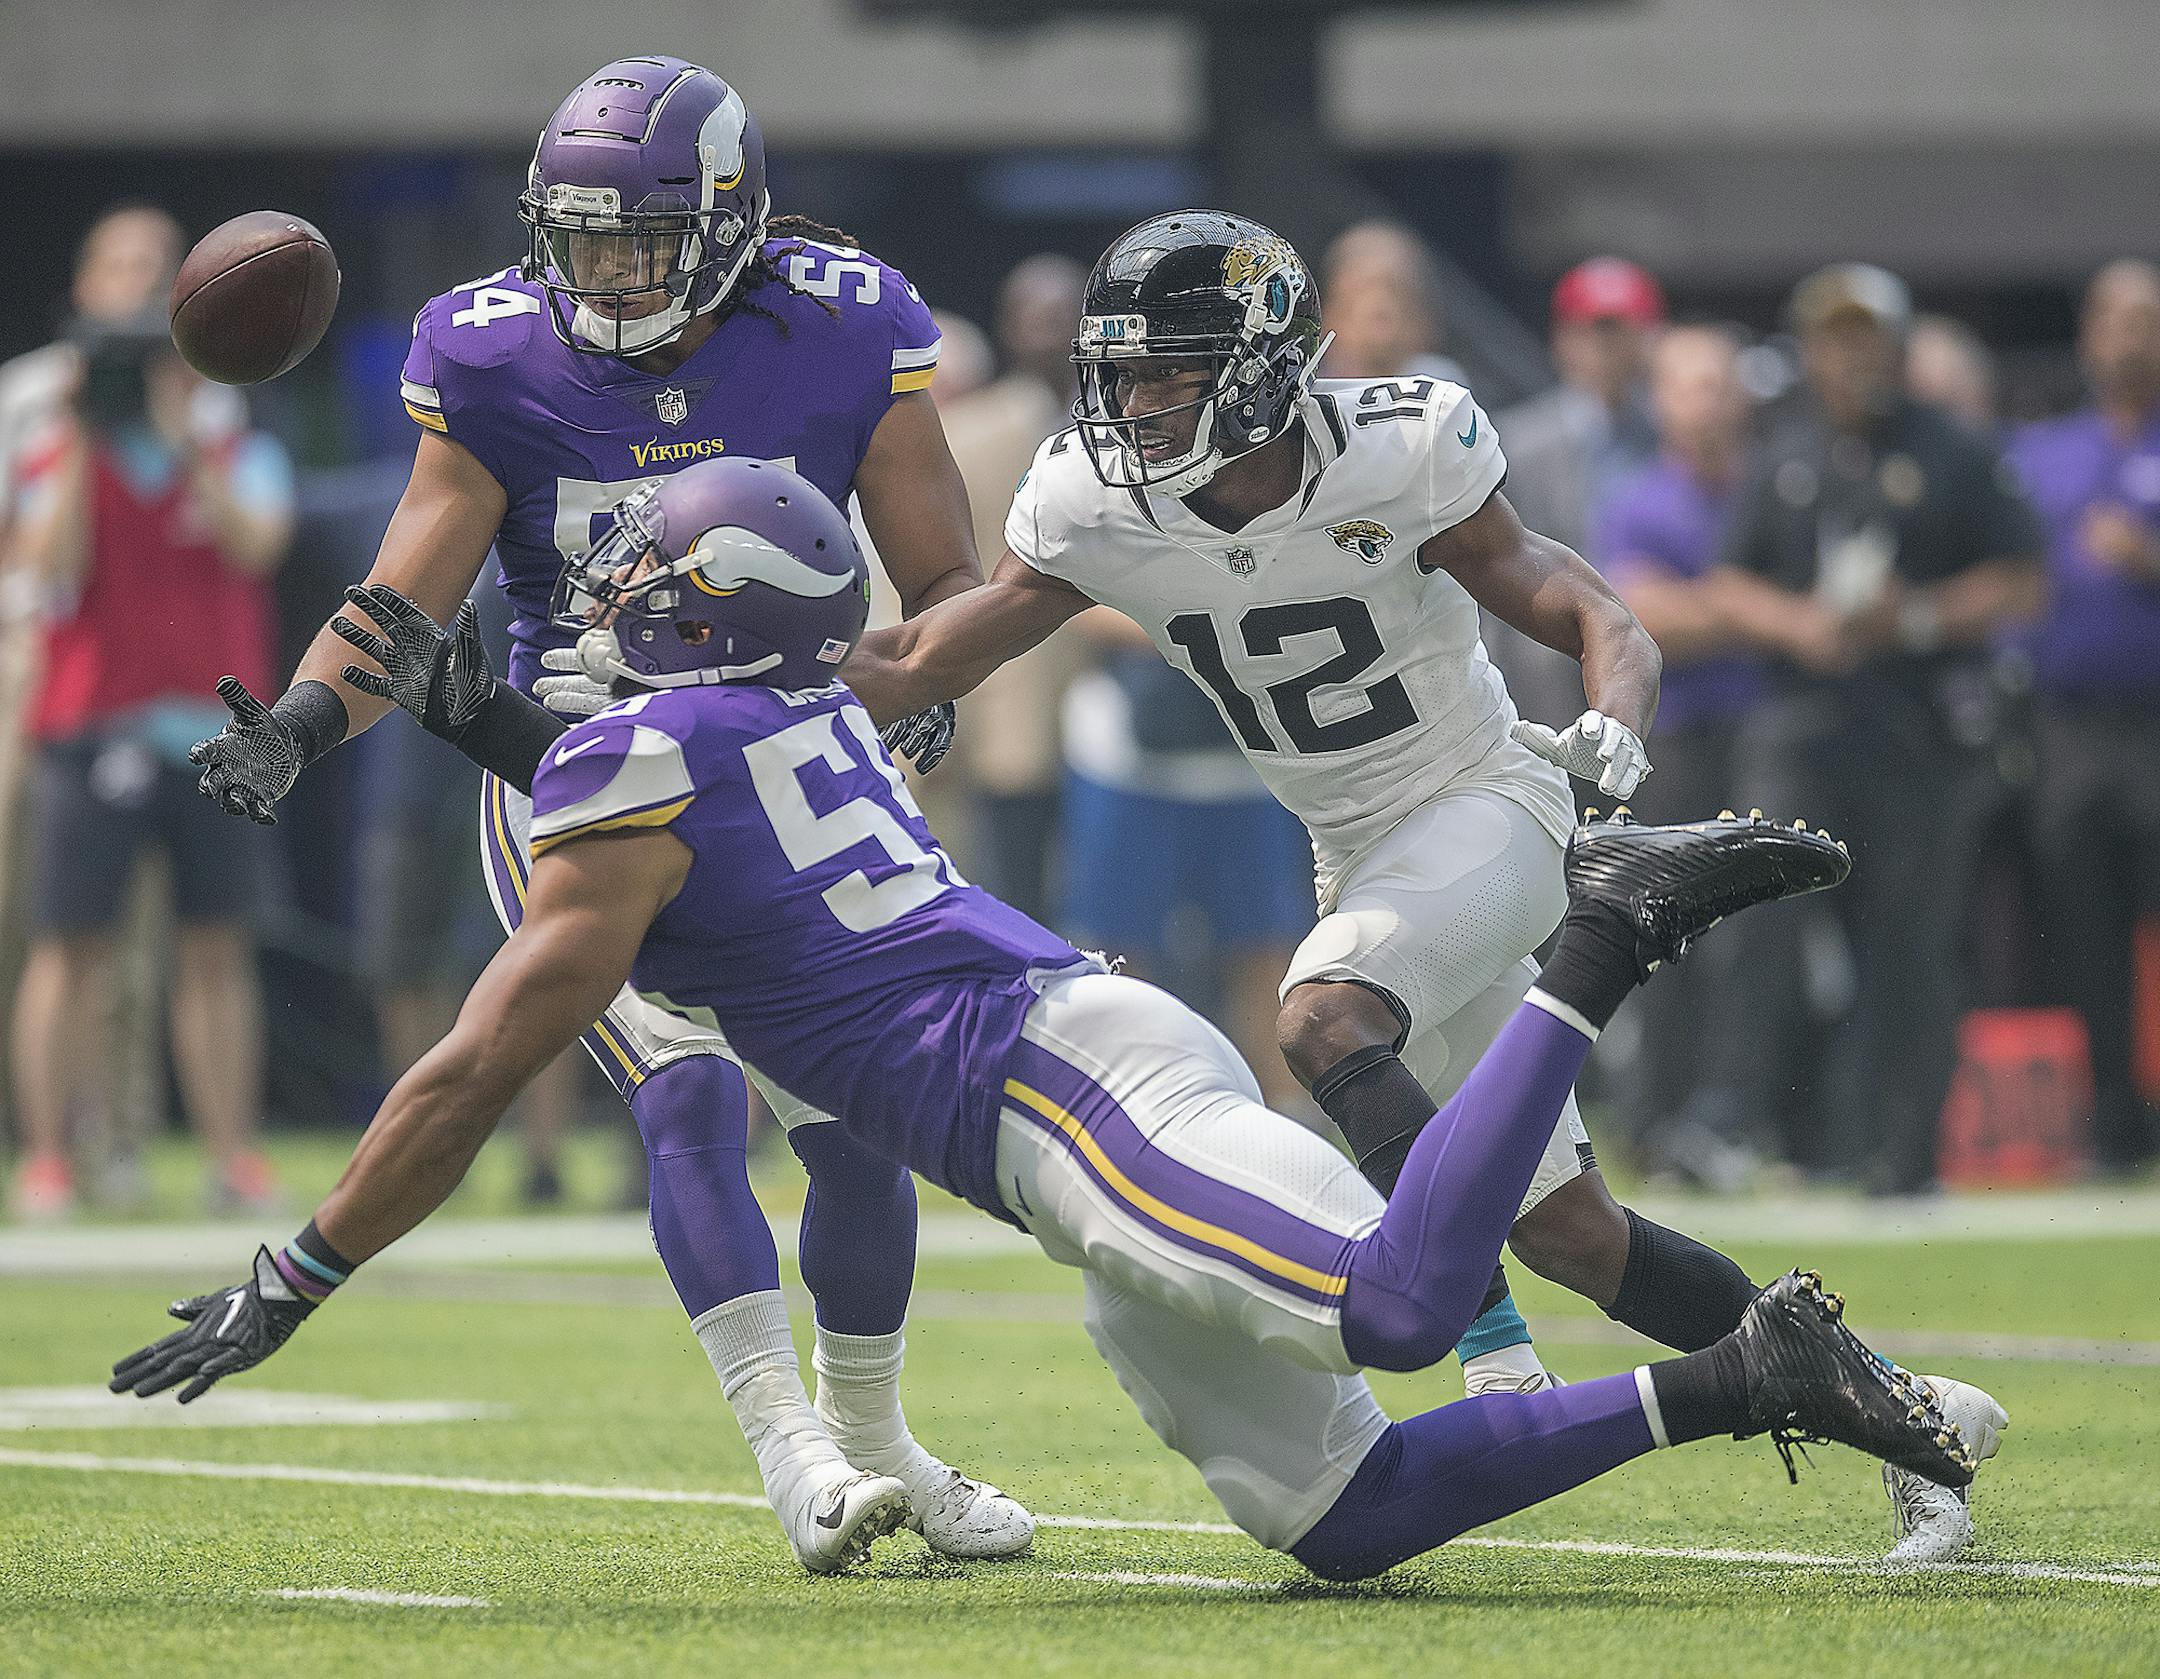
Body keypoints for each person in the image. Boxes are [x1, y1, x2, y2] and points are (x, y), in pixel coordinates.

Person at [108, 458, 1993, 1583]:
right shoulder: (781, 715)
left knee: (1406, 1309)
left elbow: (471, 1065)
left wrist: (301, 1266)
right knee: (1338, 1514)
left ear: (702, 612)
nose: (614, 594)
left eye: (645, 575)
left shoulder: (650, 773)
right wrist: (485, 723)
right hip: (1059, 1085)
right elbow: (667, 779)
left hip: (1071, 1098)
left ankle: (1607, 928)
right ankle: (1747, 1374)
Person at [178, 57, 1026, 1568]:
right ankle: (794, 1455)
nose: (603, 271)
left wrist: (932, 667)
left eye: (636, 239)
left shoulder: (846, 318)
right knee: (687, 1092)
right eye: (577, 238)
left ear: (728, 224)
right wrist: (306, 724)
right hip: (579, 757)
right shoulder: (492, 352)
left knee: (856, 1128)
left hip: (784, 748)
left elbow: (943, 571)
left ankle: (883, 1433)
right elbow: (406, 595)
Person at [1701, 263, 2047, 1200]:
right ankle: (1749, 1129)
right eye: (1834, 338)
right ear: (1811, 351)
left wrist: (1921, 617)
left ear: (1897, 347)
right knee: (1757, 929)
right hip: (1799, 725)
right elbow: (1729, 581)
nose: (1851, 358)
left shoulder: (1951, 450)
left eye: (1867, 338)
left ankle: (1904, 1152)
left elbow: (2024, 576)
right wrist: (1798, 626)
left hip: (1913, 734)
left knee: (1911, 942)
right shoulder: (1783, 450)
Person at [8, 307, 290, 1220]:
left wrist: (186, 443)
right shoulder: (63, 462)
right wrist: (85, 435)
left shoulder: (239, 451)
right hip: (94, 726)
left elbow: (256, 544)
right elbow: (52, 569)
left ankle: (230, 1155)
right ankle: (49, 1158)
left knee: (215, 946)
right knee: (69, 947)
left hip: (213, 731)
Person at [1587, 325, 1764, 1182]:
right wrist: (1759, 606)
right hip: (1678, 733)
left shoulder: (1770, 487)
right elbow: (1646, 613)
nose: (1708, 401)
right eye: (1690, 384)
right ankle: (1656, 1122)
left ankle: (1737, 1117)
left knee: (1757, 939)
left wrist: (1727, 606)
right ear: (1660, 400)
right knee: (1665, 927)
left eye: (1719, 383)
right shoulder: (1637, 496)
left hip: (1760, 731)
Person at [2010, 259, 2160, 1175]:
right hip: (2069, 726)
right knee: (2088, 928)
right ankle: (2112, 1121)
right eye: (2117, 316)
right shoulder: (2043, 453)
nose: (2131, 333)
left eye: (2148, 315)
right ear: (2088, 335)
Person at [935, 255, 1091, 921]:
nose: (1050, 334)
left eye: (1064, 318)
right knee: (1015, 881)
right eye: (1034, 318)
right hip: (1014, 688)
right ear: (1008, 329)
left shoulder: (1131, 427)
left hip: (1114, 686)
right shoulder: (972, 434)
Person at [1489, 258, 1667, 732]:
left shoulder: (1672, 434)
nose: (1607, 346)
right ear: (1564, 338)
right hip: (1546, 667)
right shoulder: (1517, 443)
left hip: (1655, 654)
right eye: (1594, 328)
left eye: (1622, 329)